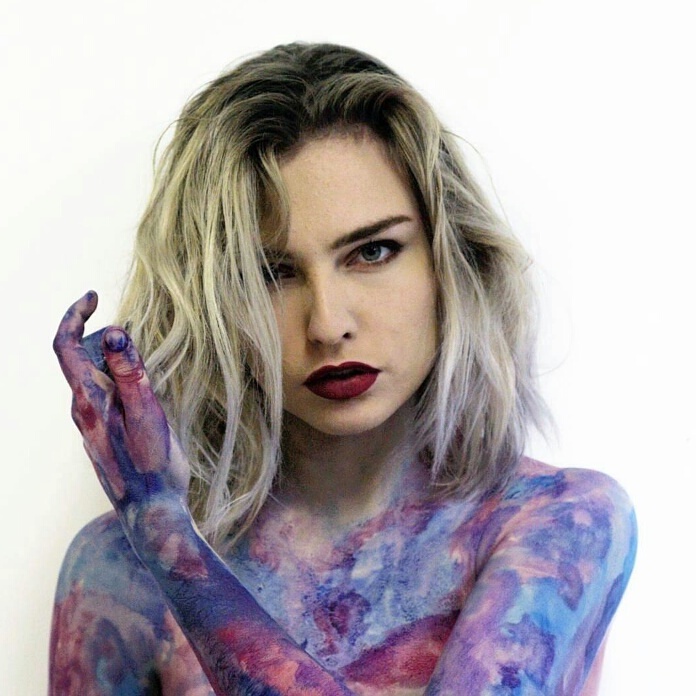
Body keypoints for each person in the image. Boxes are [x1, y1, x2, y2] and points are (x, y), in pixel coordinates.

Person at [49, 42, 637, 695]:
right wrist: (158, 529)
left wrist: (168, 540)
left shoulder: (561, 524)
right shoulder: (117, 572)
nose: (328, 324)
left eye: (373, 251)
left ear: (451, 261)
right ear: (213, 303)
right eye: (271, 274)